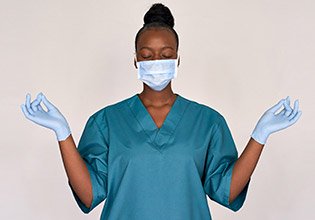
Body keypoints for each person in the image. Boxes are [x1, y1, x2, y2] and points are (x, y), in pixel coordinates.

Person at [20, 3, 302, 220]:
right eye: (146, 55)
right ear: (135, 60)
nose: (157, 61)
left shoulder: (208, 122)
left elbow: (227, 191)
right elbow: (89, 193)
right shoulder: (106, 121)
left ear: (178, 58)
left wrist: (260, 135)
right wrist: (62, 132)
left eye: (166, 54)